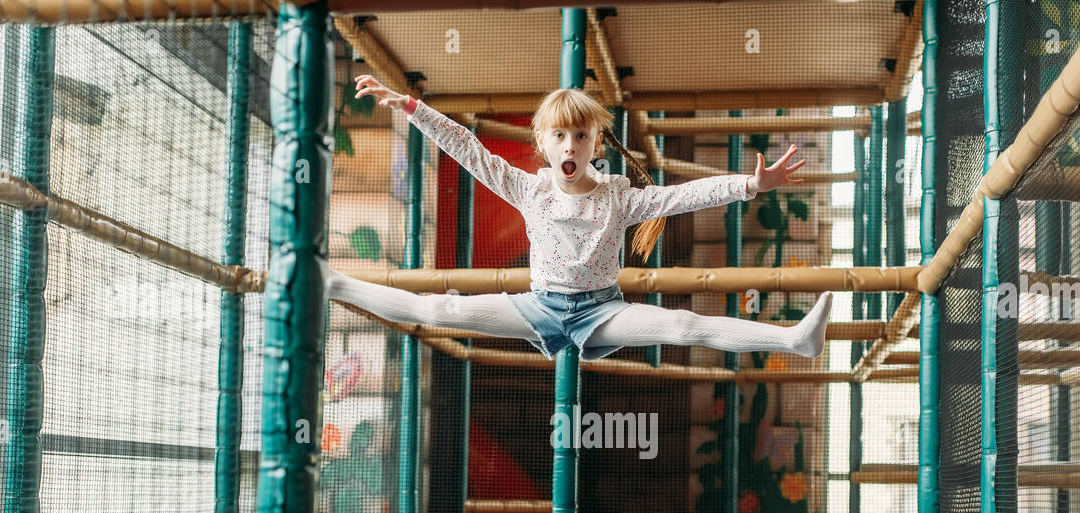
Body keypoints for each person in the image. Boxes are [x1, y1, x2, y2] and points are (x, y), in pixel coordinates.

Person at [324, 79, 832, 362]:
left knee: (683, 325)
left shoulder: (618, 197)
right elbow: (468, 149)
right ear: (542, 144)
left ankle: (794, 340)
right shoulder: (529, 188)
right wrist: (412, 106)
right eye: (560, 136)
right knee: (437, 312)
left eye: (581, 136)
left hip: (602, 311)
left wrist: (750, 185)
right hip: (538, 306)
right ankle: (337, 284)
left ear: (594, 144)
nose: (571, 145)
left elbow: (684, 196)